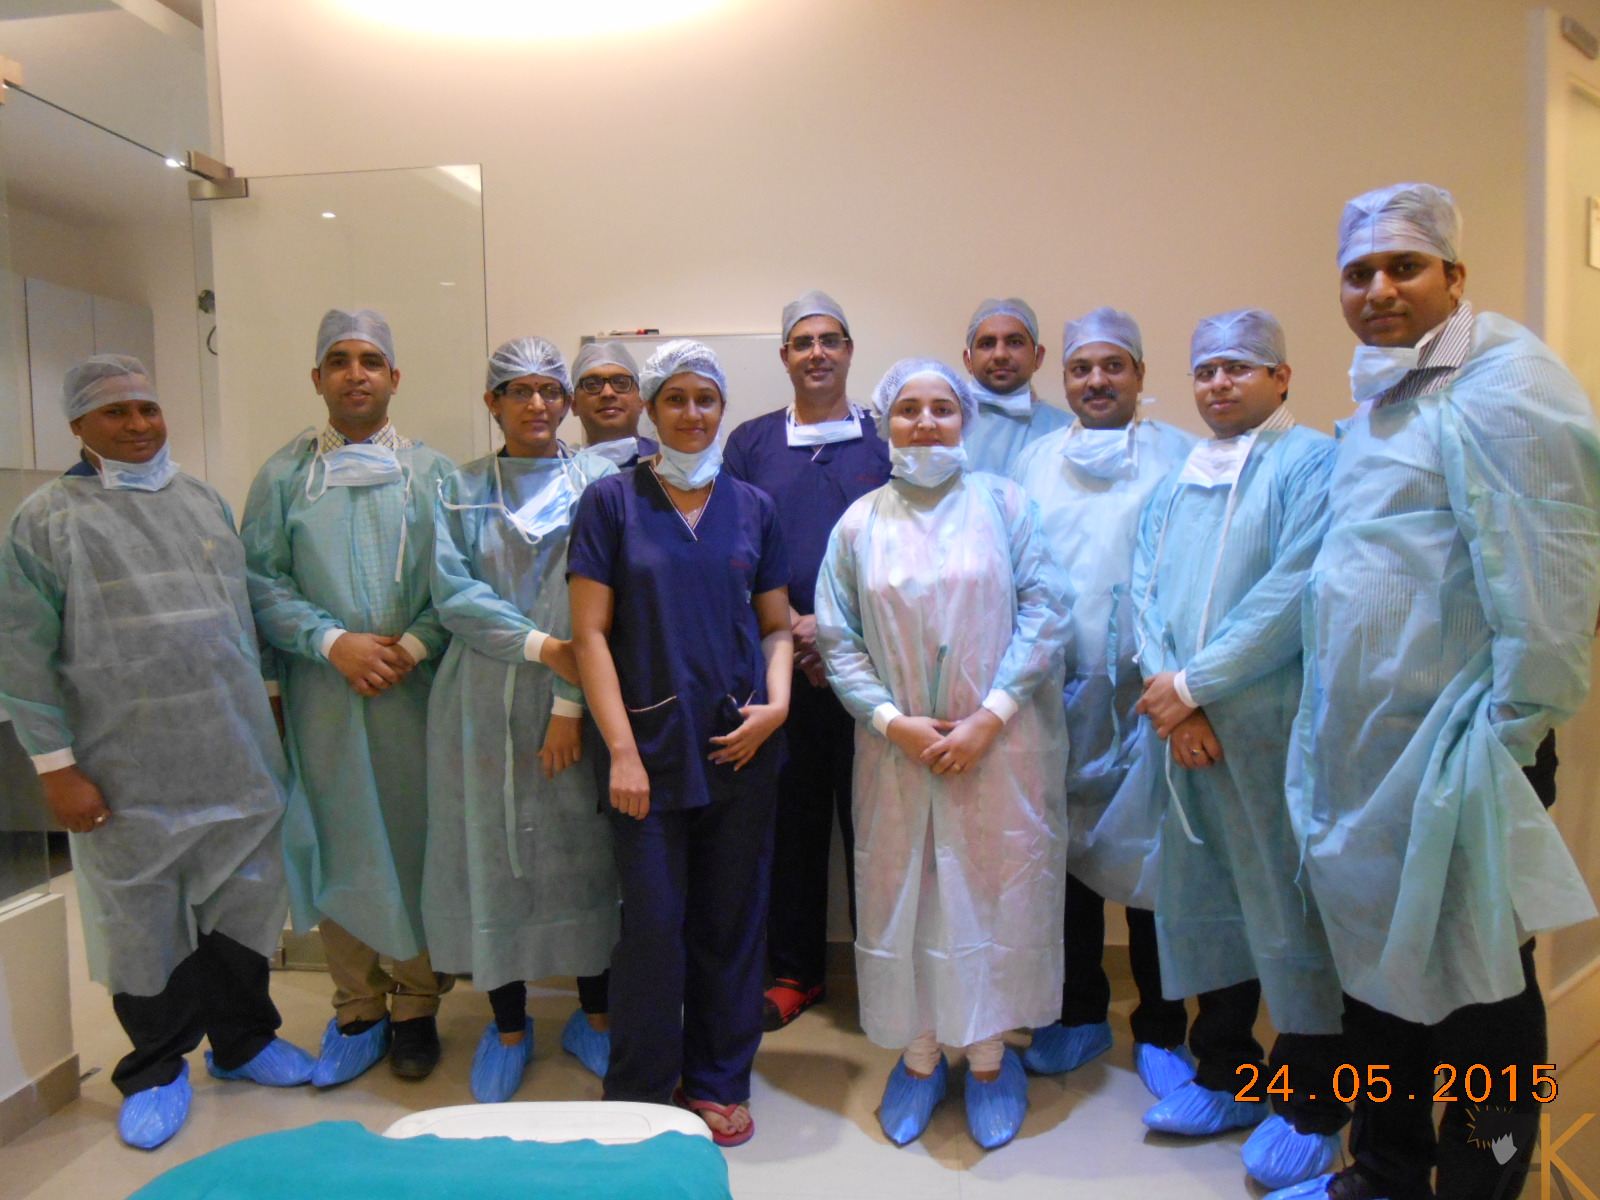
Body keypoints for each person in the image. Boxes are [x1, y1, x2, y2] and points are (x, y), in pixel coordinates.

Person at [1274, 184, 1600, 1200]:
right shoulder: (1384, 397)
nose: (1378, 289)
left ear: (1454, 276)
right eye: (1357, 273)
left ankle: (1484, 1180)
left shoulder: (1506, 385)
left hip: (1467, 745)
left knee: (1483, 988)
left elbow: (1552, 570)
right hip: (1368, 751)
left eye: (1403, 267)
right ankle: (1384, 1167)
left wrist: (1511, 730)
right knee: (1379, 974)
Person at [0, 356, 314, 1150]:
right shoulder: (46, 521)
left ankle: (243, 1042)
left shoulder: (203, 502)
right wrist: (55, 768)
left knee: (244, 904)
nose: (139, 425)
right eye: (116, 413)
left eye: (148, 408)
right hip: (122, 766)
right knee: (140, 919)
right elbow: (21, 657)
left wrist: (270, 719)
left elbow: (240, 625)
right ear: (77, 424)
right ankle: (154, 1067)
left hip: (234, 753)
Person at [814, 357, 1069, 1151]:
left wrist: (991, 716)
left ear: (965, 420)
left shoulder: (1006, 507)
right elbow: (838, 640)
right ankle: (920, 1057)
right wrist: (894, 722)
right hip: (897, 756)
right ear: (885, 423)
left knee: (994, 897)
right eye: (908, 410)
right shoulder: (859, 523)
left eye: (941, 409)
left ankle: (989, 1060)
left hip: (1000, 749)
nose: (925, 423)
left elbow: (1046, 610)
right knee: (908, 898)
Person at [1132, 310, 1349, 1191]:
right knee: (1202, 903)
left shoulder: (1312, 465)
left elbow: (1293, 592)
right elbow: (1142, 593)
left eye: (1239, 367)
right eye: (1205, 370)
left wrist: (1196, 685)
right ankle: (1226, 1073)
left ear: (1282, 377)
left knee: (1289, 914)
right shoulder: (1177, 480)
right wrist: (1175, 703)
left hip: (1270, 731)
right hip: (1185, 736)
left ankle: (1313, 1103)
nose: (1219, 383)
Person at [568, 339, 792, 1147]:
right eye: (676, 399)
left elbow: (776, 627)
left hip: (741, 744)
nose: (692, 414)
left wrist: (777, 707)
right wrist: (623, 751)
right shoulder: (611, 503)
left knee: (732, 923)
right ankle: (640, 1083)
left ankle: (719, 1079)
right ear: (650, 409)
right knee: (654, 929)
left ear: (722, 408)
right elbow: (589, 636)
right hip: (649, 753)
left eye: (706, 399)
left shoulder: (753, 507)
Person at [241, 308, 456, 1086]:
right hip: (323, 691)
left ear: (394, 377)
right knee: (337, 838)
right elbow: (259, 581)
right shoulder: (284, 478)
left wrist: (413, 643)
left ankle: (417, 1004)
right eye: (339, 360)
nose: (355, 373)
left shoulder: (435, 476)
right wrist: (332, 643)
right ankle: (357, 1005)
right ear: (318, 379)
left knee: (413, 839)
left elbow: (460, 579)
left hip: (414, 689)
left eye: (370, 360)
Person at [422, 337, 620, 1101]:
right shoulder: (457, 489)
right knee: (489, 858)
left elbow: (602, 587)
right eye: (518, 390)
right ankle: (508, 1028)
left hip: (581, 699)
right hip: (478, 700)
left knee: (587, 859)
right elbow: (453, 595)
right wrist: (543, 648)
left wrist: (569, 695)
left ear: (567, 403)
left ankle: (595, 1019)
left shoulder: (600, 484)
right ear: (492, 402)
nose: (536, 404)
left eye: (549, 390)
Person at [1009, 308, 1197, 1097]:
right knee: (1065, 859)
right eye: (1082, 368)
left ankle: (1161, 1025)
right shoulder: (1034, 462)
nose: (1096, 381)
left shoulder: (1181, 456)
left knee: (1156, 860)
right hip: (1055, 690)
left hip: (1153, 695)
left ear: (1140, 374)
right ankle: (1078, 1012)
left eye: (1113, 365)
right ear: (1064, 378)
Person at [723, 289, 892, 1030]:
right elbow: (732, 544)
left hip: (873, 667)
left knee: (876, 826)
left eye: (830, 339)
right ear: (784, 356)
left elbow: (907, 547)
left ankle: (885, 972)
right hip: (780, 665)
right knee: (788, 826)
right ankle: (795, 971)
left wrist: (836, 629)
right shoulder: (750, 444)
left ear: (849, 351)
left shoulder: (886, 438)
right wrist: (788, 629)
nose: (817, 352)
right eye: (803, 342)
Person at [961, 297, 1071, 475]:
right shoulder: (938, 428)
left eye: (1014, 342)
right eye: (987, 344)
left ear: (1038, 357)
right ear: (968, 360)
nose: (1000, 355)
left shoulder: (1067, 432)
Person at [569, 340, 656, 468]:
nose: (608, 393)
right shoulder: (565, 473)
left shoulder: (668, 464)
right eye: (592, 384)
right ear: (574, 405)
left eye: (621, 383)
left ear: (640, 401)